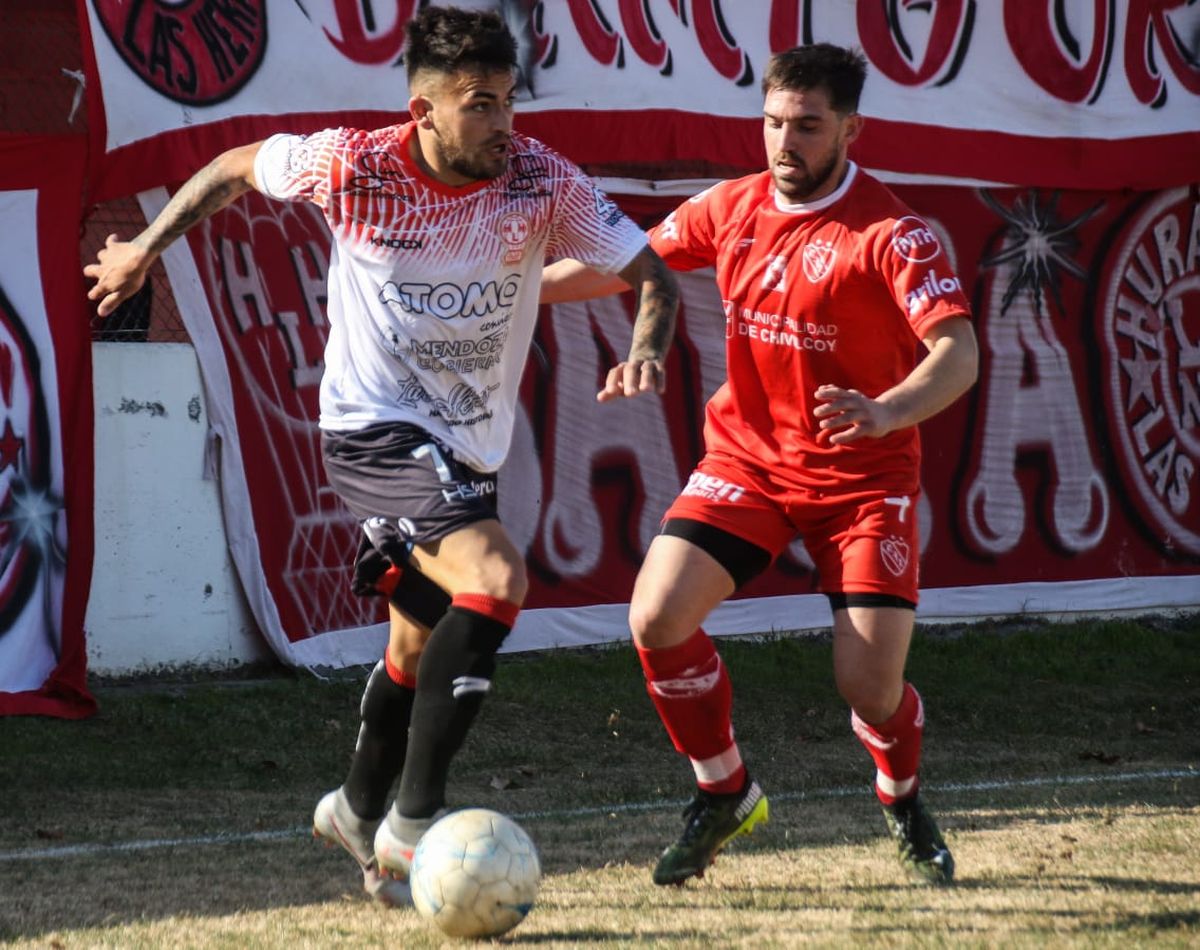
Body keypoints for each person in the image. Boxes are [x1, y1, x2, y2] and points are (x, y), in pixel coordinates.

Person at [84, 5, 679, 907]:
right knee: (496, 579)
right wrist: (143, 251)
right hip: (372, 432)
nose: (502, 124)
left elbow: (651, 274)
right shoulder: (355, 164)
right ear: (423, 111)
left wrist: (648, 347)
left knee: (421, 635)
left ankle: (354, 808)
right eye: (479, 104)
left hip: (469, 449)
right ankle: (410, 828)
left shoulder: (539, 179)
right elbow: (234, 168)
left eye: (509, 101)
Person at [540, 42, 977, 887]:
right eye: (774, 122)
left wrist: (886, 410)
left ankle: (902, 794)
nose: (785, 142)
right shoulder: (731, 206)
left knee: (869, 690)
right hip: (750, 464)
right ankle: (724, 792)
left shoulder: (895, 234)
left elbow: (957, 356)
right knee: (656, 616)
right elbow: (623, 266)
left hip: (863, 481)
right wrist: (501, 287)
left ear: (851, 129)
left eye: (808, 127)